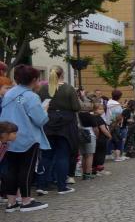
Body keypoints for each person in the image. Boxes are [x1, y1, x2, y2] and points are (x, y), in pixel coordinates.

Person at [0, 65, 50, 212]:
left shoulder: (10, 93)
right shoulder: (31, 96)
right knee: (26, 170)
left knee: (11, 170)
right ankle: (26, 201)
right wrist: (45, 110)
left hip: (9, 136)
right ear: (34, 80)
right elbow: (40, 120)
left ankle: (11, 202)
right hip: (28, 137)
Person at [38, 66, 80, 194]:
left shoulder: (43, 88)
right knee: (63, 155)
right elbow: (76, 107)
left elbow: (40, 105)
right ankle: (62, 186)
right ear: (62, 74)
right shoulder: (68, 88)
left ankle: (42, 185)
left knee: (46, 155)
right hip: (65, 124)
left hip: (48, 122)